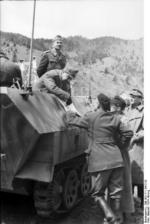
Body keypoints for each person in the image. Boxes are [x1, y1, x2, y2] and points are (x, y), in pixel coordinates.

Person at [66, 93, 133, 224]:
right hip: (117, 160)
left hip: (99, 161)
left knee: (97, 194)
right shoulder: (115, 118)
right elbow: (128, 133)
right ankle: (117, 220)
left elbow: (72, 122)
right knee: (115, 194)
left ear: (98, 104)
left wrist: (69, 113)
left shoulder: (91, 116)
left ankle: (110, 217)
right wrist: (120, 145)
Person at [110, 96, 135, 222]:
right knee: (117, 183)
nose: (110, 107)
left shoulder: (122, 118)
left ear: (118, 107)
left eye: (112, 105)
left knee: (121, 182)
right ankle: (119, 213)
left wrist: (119, 145)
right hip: (116, 153)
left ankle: (121, 214)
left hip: (120, 154)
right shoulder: (115, 117)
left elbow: (129, 134)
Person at [127, 89, 144, 208]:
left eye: (134, 96)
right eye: (131, 95)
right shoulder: (127, 110)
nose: (131, 97)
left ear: (140, 98)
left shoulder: (144, 111)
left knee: (140, 176)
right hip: (127, 147)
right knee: (129, 176)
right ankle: (131, 201)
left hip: (138, 147)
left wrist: (135, 137)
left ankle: (144, 202)